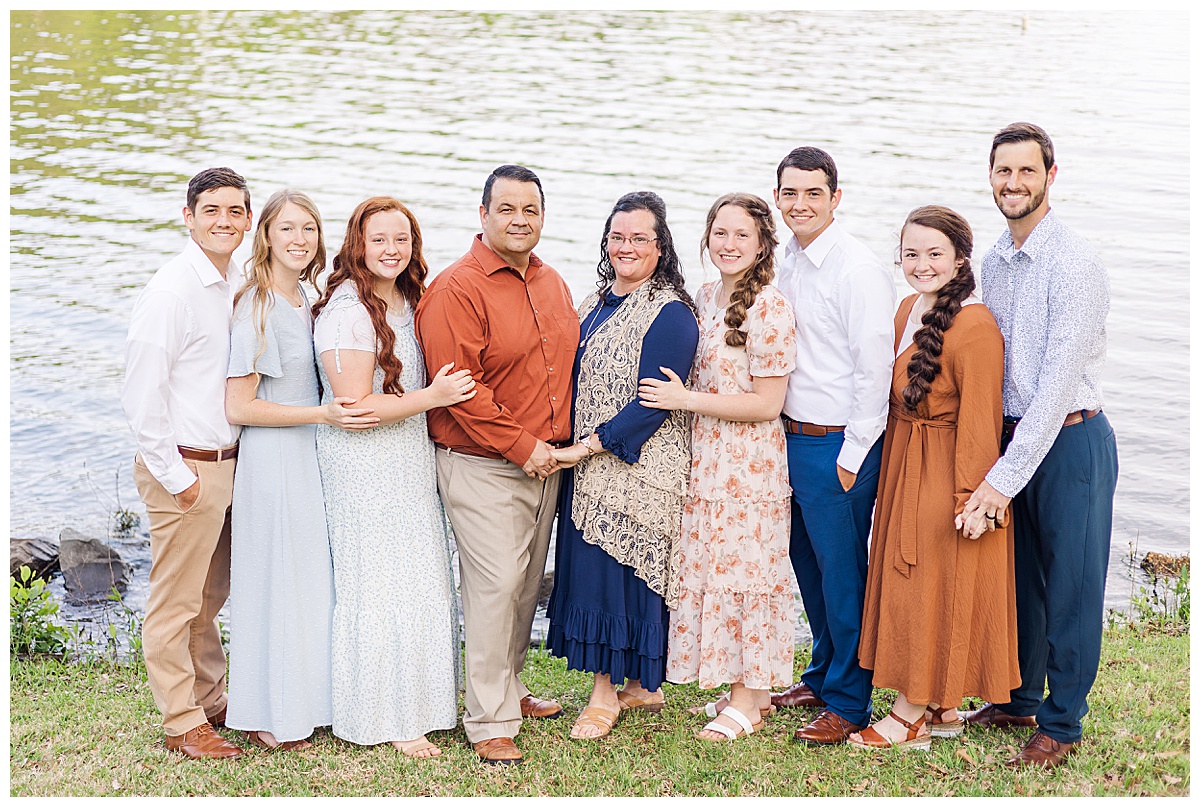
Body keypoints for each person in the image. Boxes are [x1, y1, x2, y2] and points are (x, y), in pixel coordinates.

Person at [959, 122, 1119, 769]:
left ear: (1050, 176)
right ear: (991, 175)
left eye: (1027, 172)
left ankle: (1062, 720)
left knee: (1073, 586)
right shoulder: (992, 258)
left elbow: (1054, 388)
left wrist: (999, 481)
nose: (1013, 183)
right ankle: (1019, 697)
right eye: (1004, 171)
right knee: (1019, 584)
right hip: (1011, 436)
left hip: (1070, 441)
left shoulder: (1075, 262)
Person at [414, 165, 579, 766]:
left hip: (547, 465)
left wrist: (561, 447)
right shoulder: (457, 288)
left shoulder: (553, 283)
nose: (519, 220)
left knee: (525, 586)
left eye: (530, 210)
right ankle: (487, 720)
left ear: (542, 217)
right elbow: (461, 388)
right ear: (482, 215)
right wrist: (525, 447)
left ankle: (507, 687)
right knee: (494, 587)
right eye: (506, 208)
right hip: (484, 463)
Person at [849, 206, 1020, 751]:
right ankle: (942, 705)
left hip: (945, 467)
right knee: (913, 577)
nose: (921, 264)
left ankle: (910, 712)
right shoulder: (905, 309)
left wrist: (973, 499)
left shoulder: (975, 326)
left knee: (925, 581)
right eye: (910, 253)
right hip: (905, 459)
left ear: (960, 259)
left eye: (934, 253)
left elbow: (980, 423)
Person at [311, 196, 475, 759]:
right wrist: (434, 397)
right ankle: (383, 713)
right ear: (358, 243)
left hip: (406, 454)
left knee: (419, 575)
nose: (391, 250)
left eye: (401, 240)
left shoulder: (407, 298)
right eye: (379, 240)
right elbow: (353, 408)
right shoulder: (347, 311)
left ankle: (423, 704)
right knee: (378, 580)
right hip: (363, 463)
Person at [223, 190, 379, 752]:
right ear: (265, 235)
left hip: (308, 453)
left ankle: (304, 700)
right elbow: (239, 407)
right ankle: (272, 715)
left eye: (309, 229)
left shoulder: (306, 298)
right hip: (274, 459)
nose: (299, 239)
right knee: (278, 584)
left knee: (307, 583)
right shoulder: (258, 304)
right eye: (286, 228)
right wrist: (322, 414)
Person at [544, 192, 699, 740]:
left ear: (661, 247)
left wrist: (585, 448)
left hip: (639, 465)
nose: (626, 246)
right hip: (585, 460)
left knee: (620, 577)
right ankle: (642, 686)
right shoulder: (594, 301)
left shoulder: (672, 313)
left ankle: (604, 695)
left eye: (640, 238)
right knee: (595, 574)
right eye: (617, 237)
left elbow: (654, 400)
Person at [645, 192, 797, 742]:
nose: (728, 244)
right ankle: (753, 691)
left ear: (761, 247)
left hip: (749, 465)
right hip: (705, 458)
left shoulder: (770, 308)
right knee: (714, 570)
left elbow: (766, 404)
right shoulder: (704, 297)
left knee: (748, 575)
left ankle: (744, 702)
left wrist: (684, 400)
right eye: (720, 233)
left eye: (742, 236)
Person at [122, 167, 253, 759]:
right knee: (175, 600)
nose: (224, 222)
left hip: (227, 463)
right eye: (212, 211)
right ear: (188, 216)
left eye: (235, 211)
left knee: (210, 594)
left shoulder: (231, 283)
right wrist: (178, 478)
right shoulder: (172, 291)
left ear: (248, 219)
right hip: (186, 466)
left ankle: (210, 697)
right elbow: (141, 396)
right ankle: (181, 721)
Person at [769, 147, 897, 745]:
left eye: (813, 193)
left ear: (835, 198)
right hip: (788, 438)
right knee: (809, 566)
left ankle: (849, 700)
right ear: (777, 197)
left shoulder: (856, 268)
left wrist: (853, 454)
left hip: (838, 445)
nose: (801, 204)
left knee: (844, 575)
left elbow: (875, 370)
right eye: (790, 193)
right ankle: (822, 674)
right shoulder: (786, 261)